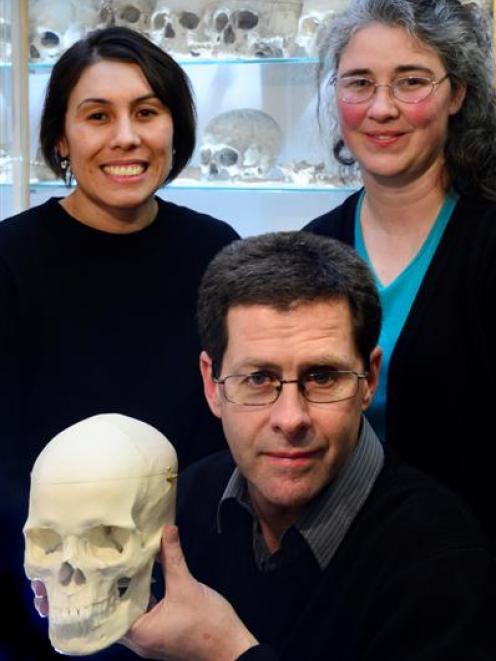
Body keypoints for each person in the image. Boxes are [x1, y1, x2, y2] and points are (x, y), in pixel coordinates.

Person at [41, 230, 491, 661]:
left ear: (369, 380)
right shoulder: (191, 498)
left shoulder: (442, 560)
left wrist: (229, 654)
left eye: (322, 377)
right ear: (211, 385)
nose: (290, 418)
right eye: (257, 379)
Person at [0, 26, 238, 660]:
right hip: (51, 592)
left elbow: (230, 426)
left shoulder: (216, 252)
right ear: (60, 137)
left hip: (193, 590)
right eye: (97, 116)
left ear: (174, 129)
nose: (125, 137)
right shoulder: (9, 261)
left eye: (147, 112)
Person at [302, 0, 496, 540]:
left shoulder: (484, 243)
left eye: (410, 82)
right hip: (338, 566)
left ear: (457, 93)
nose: (381, 108)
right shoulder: (312, 247)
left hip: (468, 572)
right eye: (359, 82)